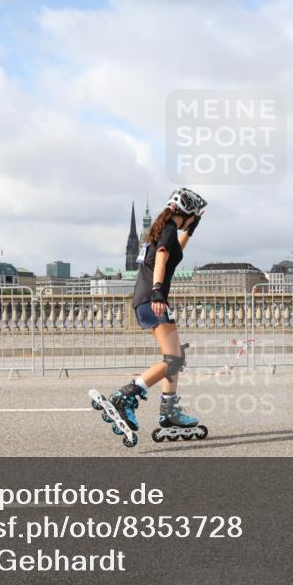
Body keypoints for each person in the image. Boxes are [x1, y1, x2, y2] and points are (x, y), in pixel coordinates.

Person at [105, 188, 208, 441]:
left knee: (175, 357)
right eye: (192, 217)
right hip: (152, 299)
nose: (192, 222)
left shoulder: (162, 231)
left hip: (143, 300)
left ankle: (168, 411)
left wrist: (190, 231)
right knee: (173, 360)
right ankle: (126, 395)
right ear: (185, 214)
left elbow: (173, 255)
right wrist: (158, 292)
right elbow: (162, 258)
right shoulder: (168, 230)